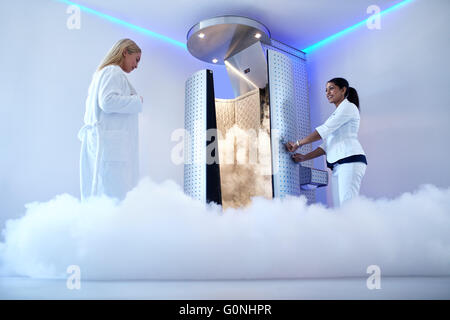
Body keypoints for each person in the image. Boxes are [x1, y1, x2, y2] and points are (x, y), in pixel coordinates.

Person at [285, 78, 367, 207]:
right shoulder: (337, 112)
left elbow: (323, 131)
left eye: (332, 88)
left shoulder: (348, 107)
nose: (328, 92)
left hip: (350, 160)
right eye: (326, 90)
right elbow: (326, 145)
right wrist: (304, 157)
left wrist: (298, 143)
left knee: (348, 207)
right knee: (340, 208)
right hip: (339, 165)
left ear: (343, 90)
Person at [78, 39, 143, 201]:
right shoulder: (113, 72)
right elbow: (107, 101)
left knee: (105, 196)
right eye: (136, 59)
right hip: (112, 149)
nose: (136, 66)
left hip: (108, 146)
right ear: (125, 52)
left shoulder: (103, 73)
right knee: (114, 196)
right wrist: (137, 101)